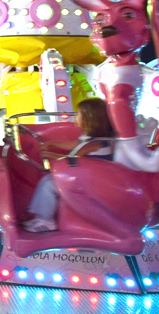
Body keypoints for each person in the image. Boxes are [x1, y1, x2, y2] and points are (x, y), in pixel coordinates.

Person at [25, 98, 115, 232]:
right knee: (47, 181)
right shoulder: (90, 139)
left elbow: (72, 160)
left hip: (89, 183)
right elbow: (74, 145)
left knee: (49, 184)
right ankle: (40, 217)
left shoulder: (95, 144)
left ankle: (46, 221)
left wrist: (50, 155)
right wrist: (52, 143)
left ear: (90, 118)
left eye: (78, 114)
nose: (76, 117)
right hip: (85, 177)